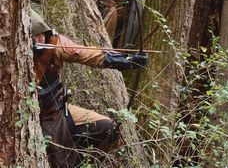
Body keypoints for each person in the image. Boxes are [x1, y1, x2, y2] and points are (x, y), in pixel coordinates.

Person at [31, 9, 147, 167]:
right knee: (61, 163)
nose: (41, 38)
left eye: (42, 33)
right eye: (35, 36)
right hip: (34, 120)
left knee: (109, 129)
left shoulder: (53, 42)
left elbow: (84, 53)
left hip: (59, 111)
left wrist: (125, 59)